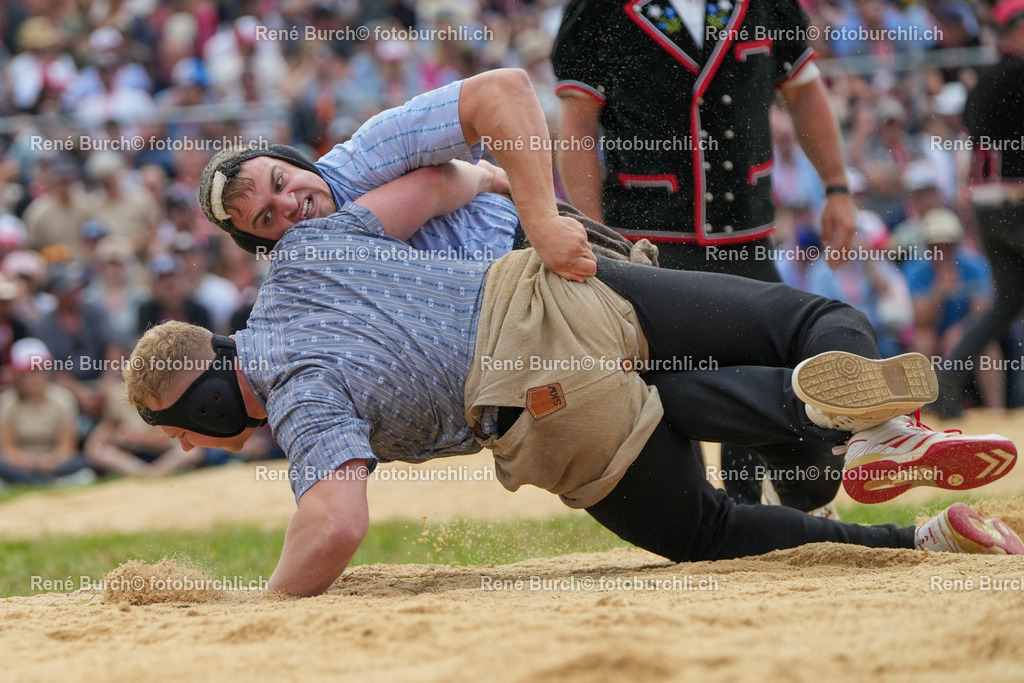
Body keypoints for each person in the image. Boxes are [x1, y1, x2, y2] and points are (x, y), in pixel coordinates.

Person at [125, 71, 1022, 597]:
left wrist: (260, 606)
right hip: (567, 298)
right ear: (258, 249)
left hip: (541, 404)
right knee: (807, 323)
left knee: (705, 524)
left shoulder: (299, 372)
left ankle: (912, 526)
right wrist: (497, 194)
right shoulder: (311, 247)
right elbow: (435, 185)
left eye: (279, 185)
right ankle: (863, 427)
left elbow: (333, 525)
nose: (285, 207)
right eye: (264, 217)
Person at [550, 0, 858, 506]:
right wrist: (592, 232)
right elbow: (579, 123)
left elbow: (803, 91)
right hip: (648, 240)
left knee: (770, 371)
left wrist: (838, 187)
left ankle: (785, 508)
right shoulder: (599, 8)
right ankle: (694, 519)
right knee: (662, 387)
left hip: (746, 234)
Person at [930, 0, 1024, 419]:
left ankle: (946, 383)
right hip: (1015, 201)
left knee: (1007, 302)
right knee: (1006, 302)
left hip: (987, 205)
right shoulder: (1017, 74)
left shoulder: (982, 77)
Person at [0, 338, 94, 486]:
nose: (37, 377)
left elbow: (67, 447)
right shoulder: (7, 401)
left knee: (81, 462)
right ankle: (48, 482)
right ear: (19, 376)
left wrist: (50, 461)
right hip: (20, 464)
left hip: (54, 463)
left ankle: (31, 482)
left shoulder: (64, 398)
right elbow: (8, 449)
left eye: (41, 369)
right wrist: (28, 461)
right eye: (31, 372)